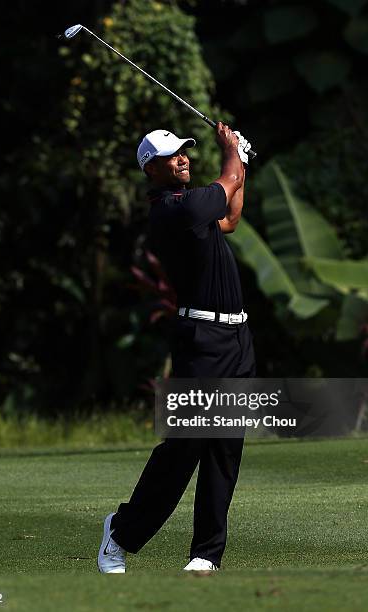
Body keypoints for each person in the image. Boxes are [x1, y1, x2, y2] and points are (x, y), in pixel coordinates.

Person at [97, 123, 256, 573]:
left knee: (225, 447)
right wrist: (232, 152)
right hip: (202, 342)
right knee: (185, 448)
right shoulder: (170, 209)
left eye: (184, 152)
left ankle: (206, 555)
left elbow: (230, 217)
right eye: (171, 156)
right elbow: (225, 187)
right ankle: (121, 531)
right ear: (151, 168)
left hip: (237, 340)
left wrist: (240, 162)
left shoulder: (196, 210)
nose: (182, 158)